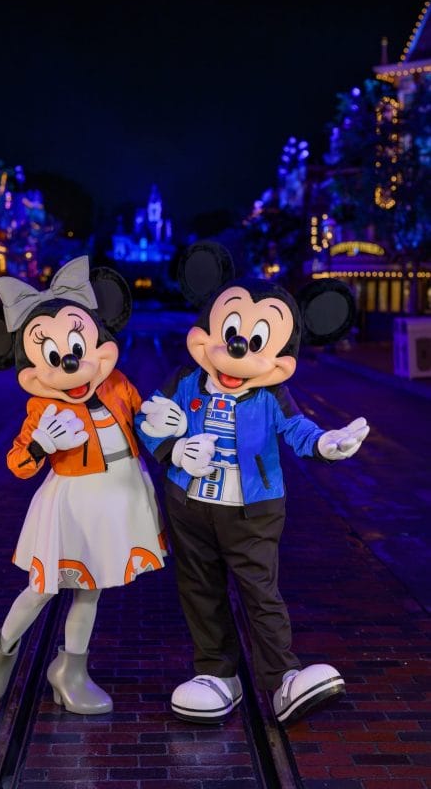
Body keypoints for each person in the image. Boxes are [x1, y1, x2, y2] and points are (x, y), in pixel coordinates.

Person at [135, 242, 369, 726]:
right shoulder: (185, 379)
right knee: (199, 589)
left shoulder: (271, 394)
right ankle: (216, 674)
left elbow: (297, 429)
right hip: (189, 507)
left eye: (256, 341)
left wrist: (325, 443)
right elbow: (148, 420)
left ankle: (283, 677)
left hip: (253, 510)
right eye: (229, 333)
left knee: (260, 590)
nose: (237, 348)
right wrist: (172, 449)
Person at [0, 256, 166, 714]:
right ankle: (1, 648)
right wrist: (40, 445)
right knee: (42, 587)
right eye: (53, 356)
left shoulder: (117, 383)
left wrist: (165, 426)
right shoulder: (42, 407)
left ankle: (71, 669)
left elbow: (143, 422)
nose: (71, 362)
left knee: (90, 590)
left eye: (77, 346)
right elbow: (17, 463)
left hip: (119, 493)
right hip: (74, 502)